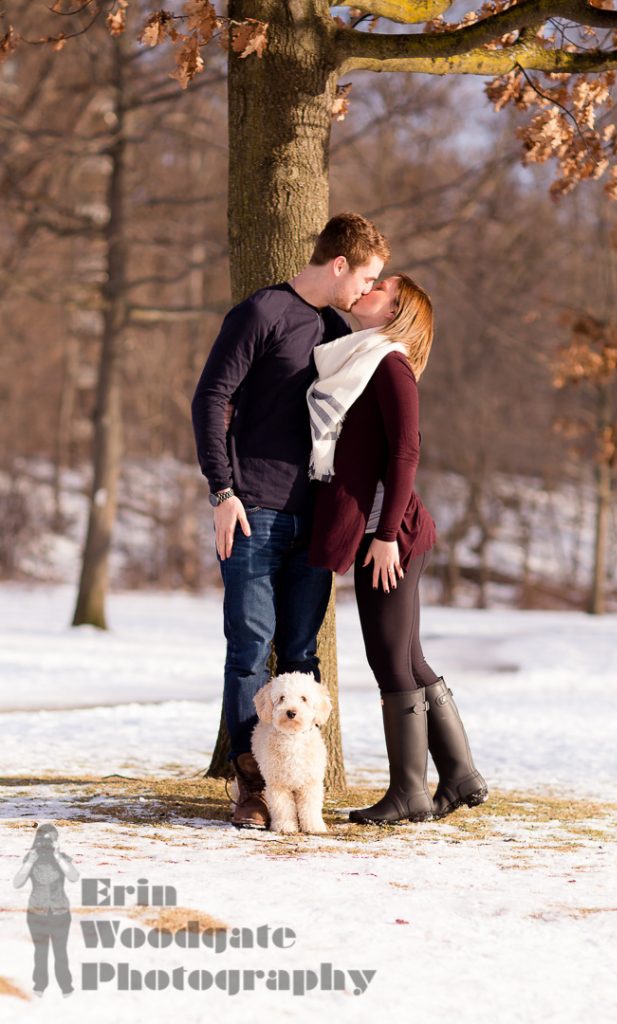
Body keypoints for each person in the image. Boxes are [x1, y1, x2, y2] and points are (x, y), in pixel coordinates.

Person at [191, 212, 390, 829]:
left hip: (318, 519)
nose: (365, 290)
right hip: (253, 510)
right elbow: (211, 397)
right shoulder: (261, 314)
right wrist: (222, 491)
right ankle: (250, 789)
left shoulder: (337, 329)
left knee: (301, 653)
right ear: (339, 266)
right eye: (366, 277)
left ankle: (302, 787)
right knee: (249, 648)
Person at [308, 274, 488, 825]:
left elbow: (406, 453)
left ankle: (410, 793)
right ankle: (459, 778)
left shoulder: (390, 364)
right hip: (383, 533)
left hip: (392, 536)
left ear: (396, 311)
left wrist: (386, 536)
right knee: (406, 657)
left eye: (380, 286)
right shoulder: (365, 360)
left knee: (390, 659)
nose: (368, 289)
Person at [13, 823, 78, 997]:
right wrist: (30, 862)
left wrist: (58, 857)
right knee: (40, 952)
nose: (46, 843)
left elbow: (74, 877)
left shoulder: (62, 857)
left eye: (51, 839)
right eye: (43, 839)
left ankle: (66, 986)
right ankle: (39, 986)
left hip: (61, 912)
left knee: (60, 952)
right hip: (36, 913)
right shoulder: (31, 857)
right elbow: (17, 883)